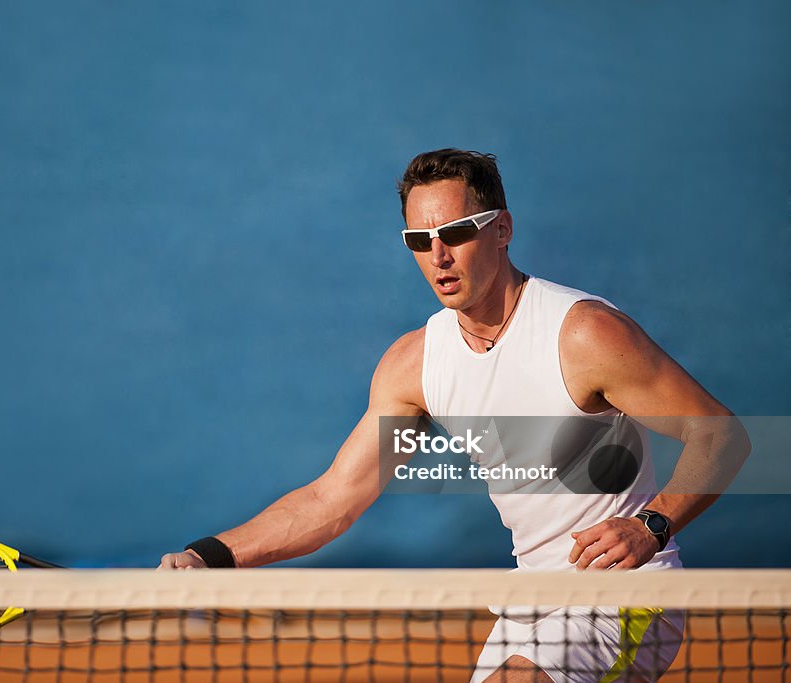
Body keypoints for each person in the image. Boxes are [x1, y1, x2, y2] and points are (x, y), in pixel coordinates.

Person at [158, 149, 748, 682]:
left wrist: (652, 525)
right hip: (529, 603)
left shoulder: (584, 334)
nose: (437, 255)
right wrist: (211, 555)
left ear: (502, 230)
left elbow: (720, 433)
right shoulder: (414, 364)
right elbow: (332, 500)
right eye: (419, 239)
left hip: (627, 598)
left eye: (457, 232)